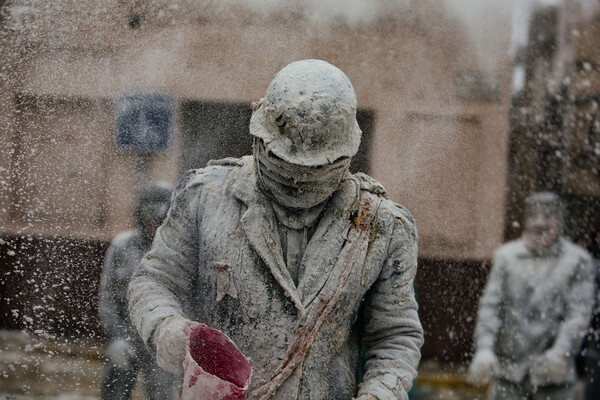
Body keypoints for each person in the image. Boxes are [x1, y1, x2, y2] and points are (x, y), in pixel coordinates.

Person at [128, 59, 423, 400]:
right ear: (260, 137)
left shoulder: (381, 226)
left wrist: (380, 393)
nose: (297, 183)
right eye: (285, 166)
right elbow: (154, 280)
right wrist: (166, 328)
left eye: (312, 171)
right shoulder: (205, 197)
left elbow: (394, 335)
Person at [468, 192, 594, 400]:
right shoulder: (506, 257)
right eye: (535, 218)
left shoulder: (577, 261)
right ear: (526, 221)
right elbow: (491, 306)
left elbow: (578, 313)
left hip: (554, 376)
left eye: (548, 218)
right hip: (508, 373)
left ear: (559, 222)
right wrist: (484, 347)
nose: (541, 224)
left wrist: (562, 349)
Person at [99, 182, 175, 400]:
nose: (152, 222)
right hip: (125, 336)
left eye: (159, 215)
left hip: (160, 341)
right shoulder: (122, 246)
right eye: (147, 214)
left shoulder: (174, 252)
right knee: (114, 394)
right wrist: (115, 338)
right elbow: (108, 298)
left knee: (161, 395)